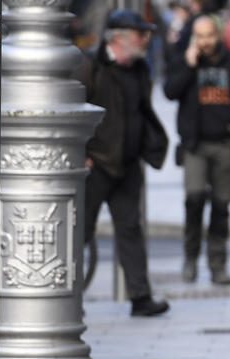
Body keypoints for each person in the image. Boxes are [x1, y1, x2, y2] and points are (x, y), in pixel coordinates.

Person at [73, 10, 170, 317]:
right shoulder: (91, 66)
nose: (146, 39)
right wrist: (81, 153)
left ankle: (140, 297)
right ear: (119, 38)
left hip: (127, 164)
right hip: (95, 164)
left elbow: (142, 110)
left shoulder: (140, 68)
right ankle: (69, 298)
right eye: (141, 34)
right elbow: (74, 113)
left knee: (130, 229)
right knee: (80, 233)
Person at [164, 15, 230, 286]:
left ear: (218, 36)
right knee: (194, 199)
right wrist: (189, 66)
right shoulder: (185, 62)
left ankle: (218, 264)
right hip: (195, 145)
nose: (204, 42)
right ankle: (190, 258)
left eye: (209, 36)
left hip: (225, 144)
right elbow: (170, 92)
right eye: (199, 36)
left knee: (221, 206)